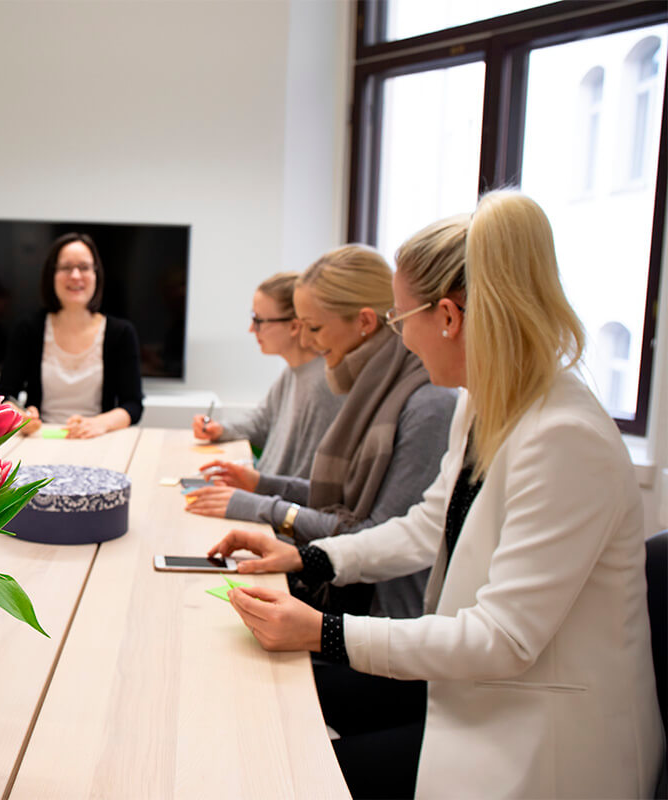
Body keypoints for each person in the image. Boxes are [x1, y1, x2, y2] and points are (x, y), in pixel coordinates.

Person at [208, 193, 664, 799]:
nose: (400, 336)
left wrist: (325, 631)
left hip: (546, 744)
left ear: (447, 316)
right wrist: (309, 558)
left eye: (399, 319)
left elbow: (503, 638)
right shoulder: (485, 399)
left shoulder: (564, 439)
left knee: (291, 775)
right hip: (477, 697)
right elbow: (430, 525)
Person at [189, 244, 456, 619]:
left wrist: (266, 507)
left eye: (313, 327)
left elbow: (371, 532)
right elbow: (344, 498)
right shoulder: (374, 388)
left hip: (378, 622)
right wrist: (263, 486)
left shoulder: (428, 405)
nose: (309, 341)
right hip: (348, 603)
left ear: (365, 322)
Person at [191, 272, 343, 480]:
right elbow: (261, 422)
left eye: (259, 320)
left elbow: (305, 483)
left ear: (294, 326)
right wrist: (220, 429)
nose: (252, 329)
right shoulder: (293, 372)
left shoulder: (322, 386)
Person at [0, 232, 143, 439]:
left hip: (97, 439)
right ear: (51, 275)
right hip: (40, 439)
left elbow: (133, 405)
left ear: (96, 274)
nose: (75, 275)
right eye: (65, 268)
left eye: (84, 267)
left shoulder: (121, 333)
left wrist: (101, 423)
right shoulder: (28, 329)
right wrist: (20, 418)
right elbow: (2, 397)